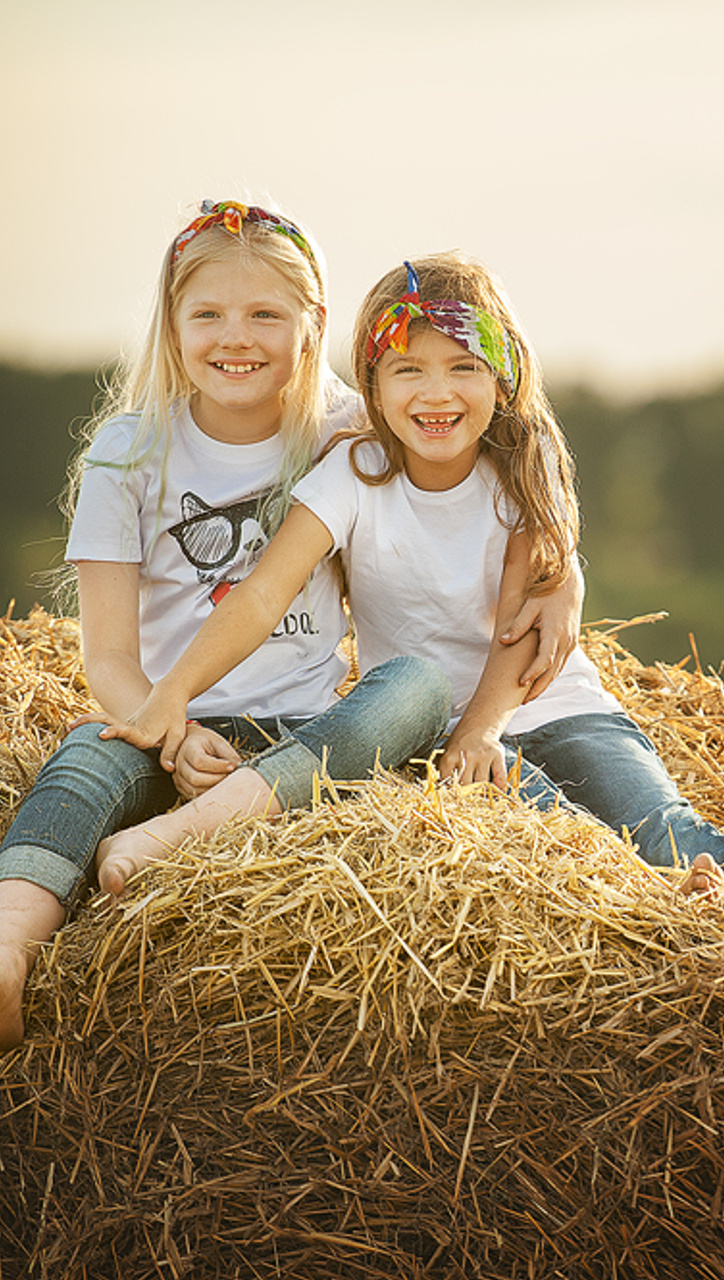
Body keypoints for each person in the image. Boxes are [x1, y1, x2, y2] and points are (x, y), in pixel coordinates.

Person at [0, 214, 580, 1052]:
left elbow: (518, 471)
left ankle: (190, 831)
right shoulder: (127, 454)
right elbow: (109, 659)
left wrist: (565, 587)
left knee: (413, 688)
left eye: (266, 315)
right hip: (165, 717)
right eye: (208, 315)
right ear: (171, 325)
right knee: (84, 757)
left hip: (308, 735)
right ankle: (14, 940)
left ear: (314, 324)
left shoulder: (350, 429)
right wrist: (172, 733)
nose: (237, 338)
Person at [95, 254, 724, 908]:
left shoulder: (527, 472)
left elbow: (518, 625)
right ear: (371, 386)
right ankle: (664, 905)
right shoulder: (352, 473)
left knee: (668, 836)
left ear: (503, 377)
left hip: (550, 707)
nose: (436, 393)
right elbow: (259, 594)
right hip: (434, 734)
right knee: (580, 857)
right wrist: (174, 694)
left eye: (463, 367)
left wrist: (483, 727)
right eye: (408, 370)